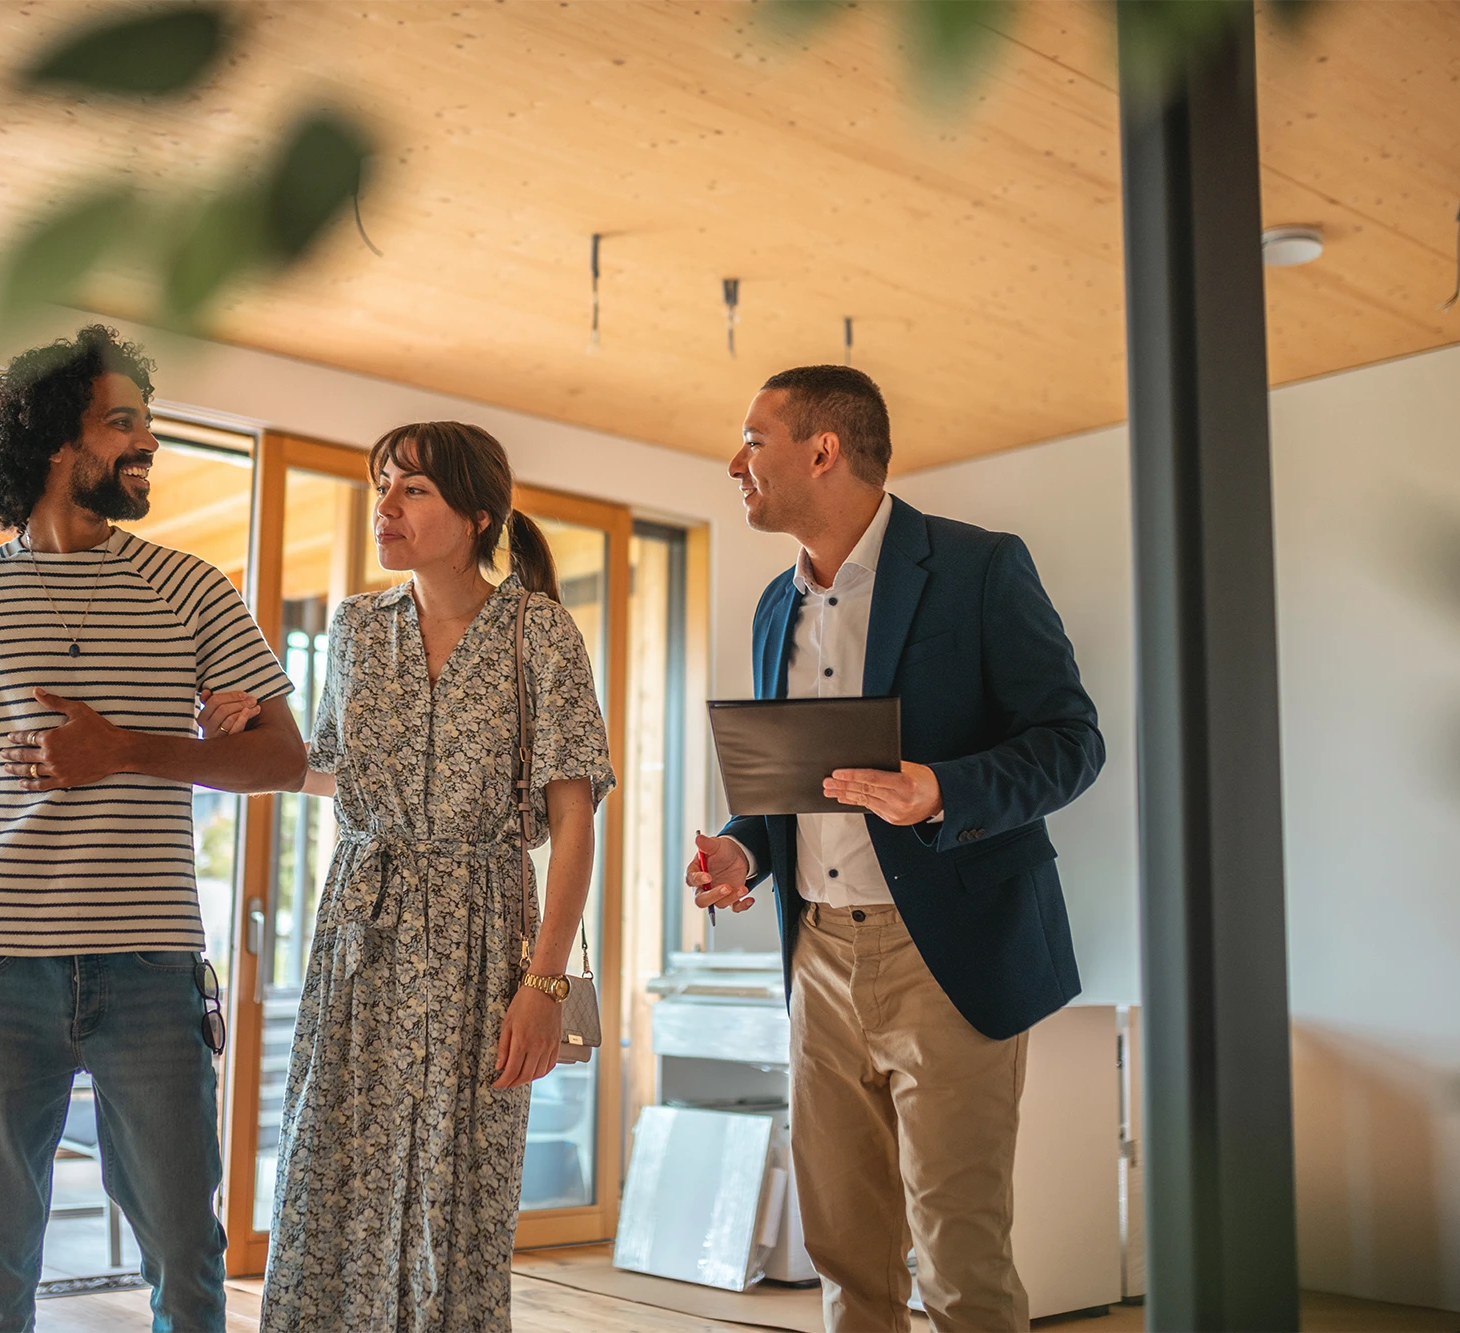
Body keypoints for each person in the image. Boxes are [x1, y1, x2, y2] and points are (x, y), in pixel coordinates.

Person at [0, 325, 307, 1333]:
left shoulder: (192, 589)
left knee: (186, 1260)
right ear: (52, 439)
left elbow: (281, 758)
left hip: (150, 972)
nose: (143, 445)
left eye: (147, 427)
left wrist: (129, 750)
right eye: (123, 425)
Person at [687, 366, 1103, 1333]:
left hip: (950, 955)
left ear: (822, 451)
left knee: (960, 1256)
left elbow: (1072, 742)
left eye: (754, 439)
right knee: (845, 1251)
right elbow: (800, 790)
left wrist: (942, 788)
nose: (735, 462)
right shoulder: (770, 608)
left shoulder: (982, 567)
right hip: (817, 956)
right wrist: (745, 853)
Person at [241, 421, 615, 1333]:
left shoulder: (538, 631)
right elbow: (332, 768)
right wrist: (250, 734)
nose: (386, 506)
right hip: (361, 926)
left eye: (412, 490)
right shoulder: (358, 628)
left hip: (484, 933)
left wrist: (543, 981)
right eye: (381, 486)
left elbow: (574, 824)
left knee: (458, 1192)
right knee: (334, 1166)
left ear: (476, 514)